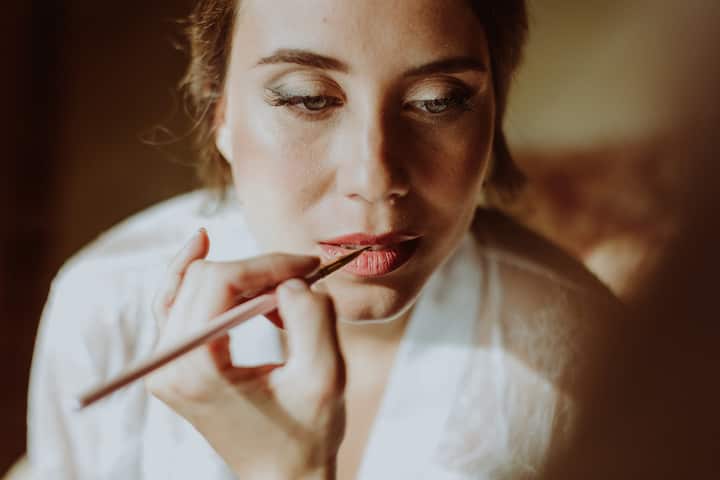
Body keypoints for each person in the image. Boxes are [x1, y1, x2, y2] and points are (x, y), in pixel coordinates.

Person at [27, 0, 621, 478]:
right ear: (219, 112)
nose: (375, 179)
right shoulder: (105, 304)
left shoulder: (590, 362)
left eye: (437, 102)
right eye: (308, 99)